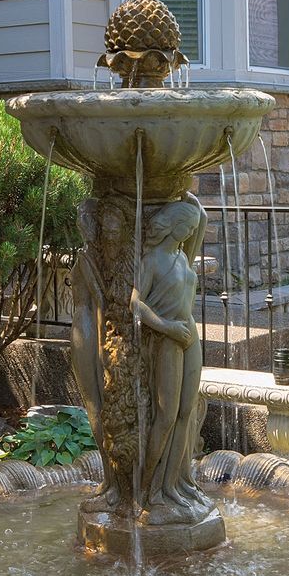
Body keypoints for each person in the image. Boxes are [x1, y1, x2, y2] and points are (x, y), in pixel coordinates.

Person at [129, 196, 208, 523]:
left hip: (189, 337)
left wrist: (190, 199)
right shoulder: (153, 260)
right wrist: (166, 327)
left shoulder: (181, 257)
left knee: (186, 413)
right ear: (173, 227)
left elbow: (201, 219)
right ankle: (145, 491)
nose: (192, 231)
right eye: (186, 226)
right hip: (167, 339)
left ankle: (174, 486)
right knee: (166, 415)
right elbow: (134, 303)